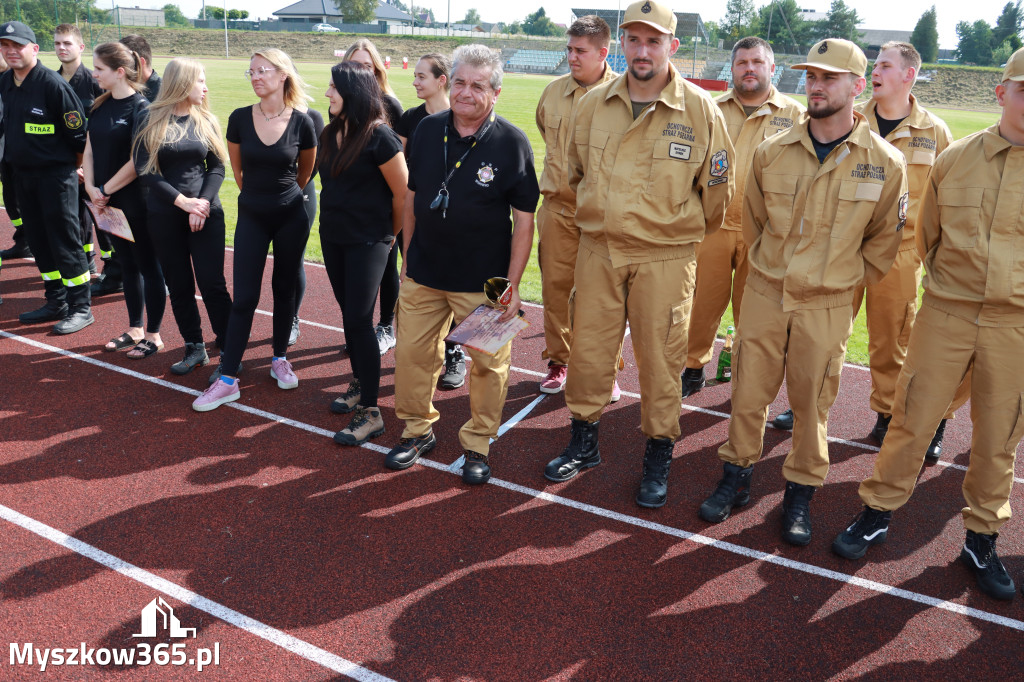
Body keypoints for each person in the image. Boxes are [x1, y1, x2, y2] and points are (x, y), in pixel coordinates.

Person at [831, 49, 1024, 602]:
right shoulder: (957, 158)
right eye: (1023, 88)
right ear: (1001, 92)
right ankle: (876, 511)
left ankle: (981, 537)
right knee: (912, 417)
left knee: (999, 436)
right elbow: (927, 236)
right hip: (948, 312)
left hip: (1015, 325)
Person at [698, 39, 907, 546]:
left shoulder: (886, 163)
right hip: (767, 293)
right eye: (812, 75)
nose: (816, 85)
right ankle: (737, 475)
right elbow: (754, 222)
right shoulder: (773, 152)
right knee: (748, 394)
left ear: (857, 88)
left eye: (830, 77)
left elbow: (885, 241)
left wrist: (839, 281)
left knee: (813, 405)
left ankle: (799, 491)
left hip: (828, 303)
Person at [544, 1, 734, 508]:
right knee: (588, 351)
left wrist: (672, 231)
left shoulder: (699, 110)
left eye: (654, 41)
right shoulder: (593, 104)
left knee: (662, 359)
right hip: (600, 249)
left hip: (666, 256)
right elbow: (576, 173)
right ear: (622, 43)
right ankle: (583, 443)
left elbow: (716, 195)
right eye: (634, 40)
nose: (643, 51)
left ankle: (657, 454)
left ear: (673, 46)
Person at [384, 44, 539, 485]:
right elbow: (412, 197)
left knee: (489, 366)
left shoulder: (512, 143)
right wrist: (408, 254)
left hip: (486, 280)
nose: (465, 93)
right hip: (425, 273)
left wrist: (511, 284)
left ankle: (478, 444)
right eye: (459, 83)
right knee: (413, 357)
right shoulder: (429, 130)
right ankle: (416, 432)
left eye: (477, 85)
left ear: (496, 91)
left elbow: (524, 223)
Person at [191, 49, 317, 412]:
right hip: (252, 215)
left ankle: (279, 357)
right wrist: (260, 199)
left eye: (262, 70)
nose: (255, 77)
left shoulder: (302, 122)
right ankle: (228, 378)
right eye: (251, 72)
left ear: (282, 75)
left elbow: (305, 174)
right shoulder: (239, 118)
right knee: (245, 295)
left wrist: (281, 196)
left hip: (292, 214)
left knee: (284, 288)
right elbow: (238, 172)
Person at [681, 36, 803, 398]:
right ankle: (692, 367)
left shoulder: (796, 116)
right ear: (731, 69)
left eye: (757, 62)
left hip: (764, 234)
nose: (749, 69)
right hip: (713, 226)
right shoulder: (710, 109)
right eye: (742, 63)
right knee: (700, 304)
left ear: (772, 68)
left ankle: (748, 378)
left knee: (755, 314)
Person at [319, 62, 408, 443]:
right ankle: (360, 380)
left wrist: (389, 237)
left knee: (358, 319)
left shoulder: (381, 137)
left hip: (370, 241)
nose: (327, 94)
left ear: (353, 92)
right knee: (350, 318)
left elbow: (404, 195)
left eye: (334, 88)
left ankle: (371, 411)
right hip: (332, 237)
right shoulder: (329, 133)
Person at [535, 15, 621, 403]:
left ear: (603, 52)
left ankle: (604, 369)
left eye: (580, 51)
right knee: (555, 290)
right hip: (556, 209)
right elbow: (545, 135)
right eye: (568, 49)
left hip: (604, 216)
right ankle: (559, 362)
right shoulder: (552, 93)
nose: (571, 56)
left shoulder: (624, 95)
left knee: (602, 296)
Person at [133, 57, 232, 376]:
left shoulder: (207, 119)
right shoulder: (149, 117)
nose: (205, 86)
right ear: (181, 83)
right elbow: (145, 170)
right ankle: (195, 347)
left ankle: (229, 350)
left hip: (206, 214)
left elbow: (217, 168)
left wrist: (200, 203)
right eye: (199, 80)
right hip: (165, 214)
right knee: (178, 284)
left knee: (212, 283)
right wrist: (183, 203)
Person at [0, 21, 93, 334]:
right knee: (38, 240)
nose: (11, 51)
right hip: (21, 176)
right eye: (5, 46)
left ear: (34, 49)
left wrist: (75, 169)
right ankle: (56, 300)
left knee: (64, 241)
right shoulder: (5, 83)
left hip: (56, 177)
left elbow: (78, 134)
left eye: (18, 45)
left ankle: (81, 306)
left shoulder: (52, 84)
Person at [83, 41, 166, 358]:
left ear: (119, 72)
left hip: (135, 201)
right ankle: (135, 328)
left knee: (148, 266)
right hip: (106, 202)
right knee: (127, 265)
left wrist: (103, 191)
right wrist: (91, 186)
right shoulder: (101, 104)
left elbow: (137, 161)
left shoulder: (141, 108)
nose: (94, 74)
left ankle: (155, 335)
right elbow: (89, 149)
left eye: (99, 69)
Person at [394, 53, 467, 390]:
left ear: (442, 80)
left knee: (455, 288)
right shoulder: (410, 118)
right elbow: (400, 168)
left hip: (455, 223)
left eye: (422, 76)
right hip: (420, 218)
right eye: (415, 76)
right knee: (421, 288)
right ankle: (423, 356)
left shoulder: (464, 118)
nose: (415, 82)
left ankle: (454, 353)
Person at [343, 38, 404, 356]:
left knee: (388, 265)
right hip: (355, 202)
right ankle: (360, 329)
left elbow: (399, 158)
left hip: (384, 201)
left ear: (377, 70)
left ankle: (385, 327)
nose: (360, 72)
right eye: (354, 65)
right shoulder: (340, 102)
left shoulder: (390, 105)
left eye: (366, 66)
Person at [54, 23, 116, 294]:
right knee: (76, 219)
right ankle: (87, 263)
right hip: (65, 166)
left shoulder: (95, 82)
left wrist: (85, 165)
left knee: (104, 218)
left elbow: (107, 125)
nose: (61, 48)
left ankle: (114, 269)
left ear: (80, 47)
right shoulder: (51, 81)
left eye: (67, 43)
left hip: (95, 165)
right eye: (57, 43)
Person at [0, 50, 29, 263]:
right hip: (5, 151)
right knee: (11, 201)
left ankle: (30, 239)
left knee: (25, 199)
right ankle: (24, 239)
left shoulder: (14, 79)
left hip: (18, 151)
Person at [119, 35, 161, 102]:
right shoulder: (120, 89)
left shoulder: (166, 93)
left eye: (123, 62)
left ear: (140, 62)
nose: (118, 68)